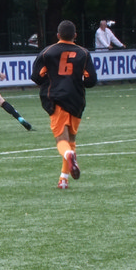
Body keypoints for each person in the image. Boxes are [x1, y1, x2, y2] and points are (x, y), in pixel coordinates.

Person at [32, 21, 96, 188]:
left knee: (62, 140)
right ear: (75, 36)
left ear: (58, 35)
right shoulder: (84, 53)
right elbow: (91, 80)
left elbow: (36, 76)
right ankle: (63, 179)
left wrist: (51, 79)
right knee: (71, 140)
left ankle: (68, 156)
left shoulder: (48, 52)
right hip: (76, 99)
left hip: (56, 98)